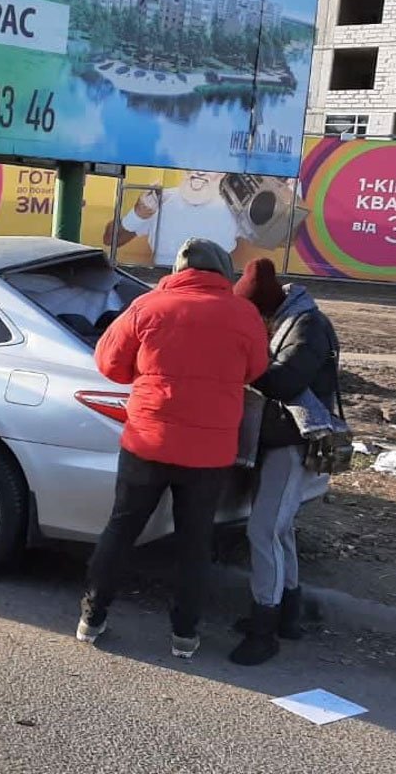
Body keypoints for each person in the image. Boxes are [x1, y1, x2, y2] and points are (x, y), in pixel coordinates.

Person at [77, 238, 268, 660]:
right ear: (222, 272)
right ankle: (184, 635)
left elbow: (109, 364)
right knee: (195, 542)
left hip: (147, 440)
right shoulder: (243, 313)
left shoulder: (148, 307)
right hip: (209, 452)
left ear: (179, 268)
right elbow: (256, 367)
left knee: (121, 529)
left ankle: (92, 618)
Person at [229, 259, 340, 666]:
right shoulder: (288, 321)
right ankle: (288, 615)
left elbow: (283, 381)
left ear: (267, 307)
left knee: (263, 532)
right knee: (281, 530)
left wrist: (239, 359)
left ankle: (264, 630)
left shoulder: (308, 326)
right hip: (274, 438)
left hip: (292, 442)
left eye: (255, 312)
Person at [118, 171, 241, 268]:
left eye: (209, 167)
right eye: (193, 163)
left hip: (212, 291)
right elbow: (110, 239)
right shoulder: (160, 199)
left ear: (223, 174)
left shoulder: (236, 208)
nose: (199, 172)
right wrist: (137, 215)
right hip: (162, 285)